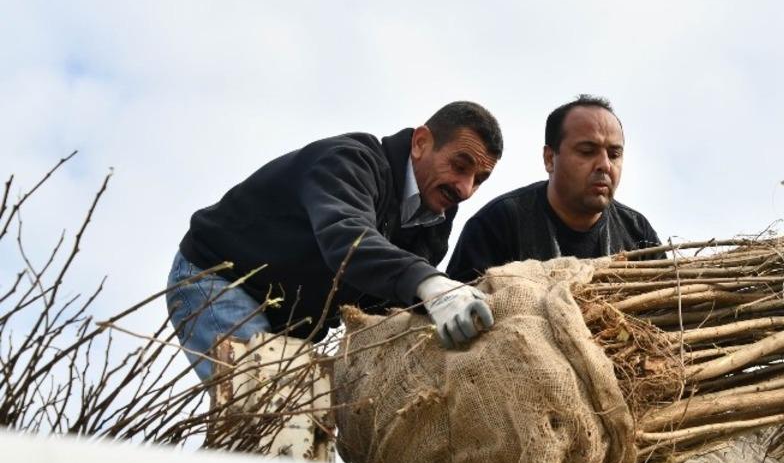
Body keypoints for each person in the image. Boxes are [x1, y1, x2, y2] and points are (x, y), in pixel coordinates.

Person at [167, 101, 503, 381]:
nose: (465, 189)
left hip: (292, 323)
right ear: (420, 143)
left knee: (300, 430)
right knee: (265, 408)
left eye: (479, 180)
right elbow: (348, 240)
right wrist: (432, 284)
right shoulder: (348, 162)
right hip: (221, 281)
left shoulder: (433, 219)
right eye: (460, 166)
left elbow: (385, 304)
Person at [446, 95, 661, 282]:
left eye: (614, 155)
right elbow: (457, 307)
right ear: (550, 159)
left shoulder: (638, 233)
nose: (605, 165)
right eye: (587, 151)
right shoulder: (497, 224)